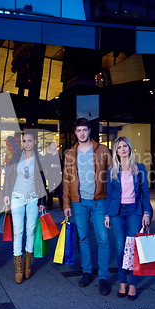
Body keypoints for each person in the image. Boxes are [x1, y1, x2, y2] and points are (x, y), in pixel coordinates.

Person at [62, 117, 112, 295]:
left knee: (103, 239)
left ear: (89, 130)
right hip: (79, 202)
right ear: (75, 133)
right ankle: (87, 272)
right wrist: (66, 203)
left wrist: (113, 203)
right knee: (83, 238)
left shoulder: (103, 150)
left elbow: (112, 176)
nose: (82, 133)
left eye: (84, 130)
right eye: (78, 130)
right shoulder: (70, 154)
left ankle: (104, 277)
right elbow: (67, 180)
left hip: (100, 201)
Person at [104, 137, 153, 301]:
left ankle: (133, 283)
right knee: (119, 248)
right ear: (116, 151)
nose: (123, 149)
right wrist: (107, 214)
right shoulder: (112, 170)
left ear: (130, 148)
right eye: (119, 147)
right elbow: (109, 195)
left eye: (125, 146)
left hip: (134, 211)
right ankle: (122, 282)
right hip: (117, 213)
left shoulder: (139, 168)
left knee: (134, 248)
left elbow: (145, 192)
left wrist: (146, 212)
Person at [3, 130, 47, 284]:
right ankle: (18, 267)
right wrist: (6, 193)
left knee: (31, 230)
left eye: (29, 141)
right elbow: (9, 175)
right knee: (18, 231)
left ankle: (28, 262)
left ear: (35, 142)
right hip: (17, 197)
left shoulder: (40, 159)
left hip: (33, 198)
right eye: (24, 141)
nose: (26, 144)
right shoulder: (16, 156)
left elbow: (43, 180)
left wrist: (42, 201)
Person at [43, 141, 63, 210]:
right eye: (53, 145)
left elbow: (61, 164)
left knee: (60, 190)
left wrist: (61, 172)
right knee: (50, 191)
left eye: (55, 145)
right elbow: (44, 165)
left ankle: (62, 205)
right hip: (50, 175)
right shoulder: (46, 155)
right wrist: (52, 165)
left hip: (58, 175)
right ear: (50, 147)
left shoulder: (57, 155)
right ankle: (50, 205)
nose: (55, 146)